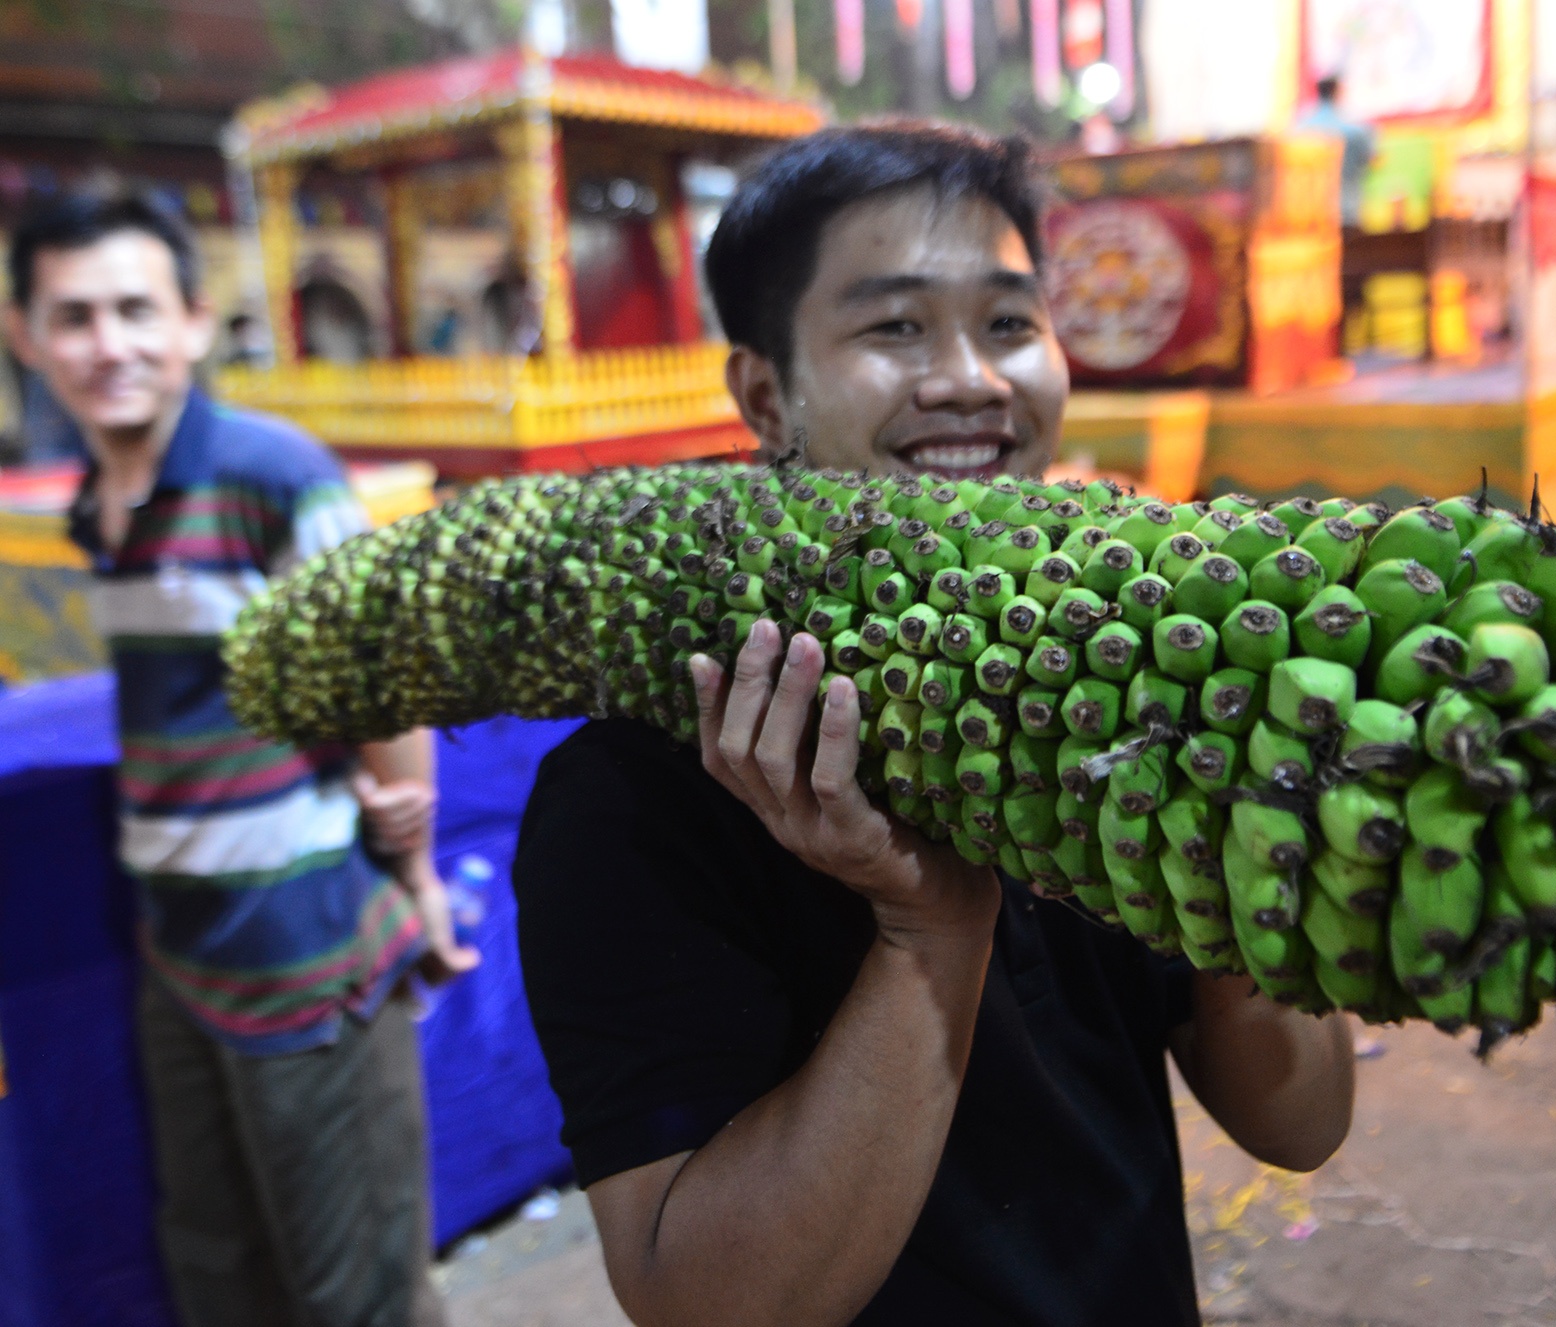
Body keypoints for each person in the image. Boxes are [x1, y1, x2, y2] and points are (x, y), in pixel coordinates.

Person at [511, 122, 1356, 1327]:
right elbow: (699, 1299)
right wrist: (926, 933)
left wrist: (1238, 848)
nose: (972, 376)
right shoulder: (633, 792)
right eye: (895, 326)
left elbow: (1300, 1122)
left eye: (1010, 322)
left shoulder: (1119, 677)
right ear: (765, 393)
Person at [4, 190, 477, 1326]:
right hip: (182, 958)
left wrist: (416, 883)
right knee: (216, 1270)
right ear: (24, 335)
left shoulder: (274, 474)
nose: (108, 344)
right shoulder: (95, 502)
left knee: (356, 1293)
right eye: (74, 316)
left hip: (312, 955)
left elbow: (388, 677)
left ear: (194, 322)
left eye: (135, 309)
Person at [1298, 75, 1374, 228]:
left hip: (1309, 215)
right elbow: (1373, 161)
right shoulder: (1356, 128)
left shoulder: (1301, 128)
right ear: (1338, 92)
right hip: (1348, 210)